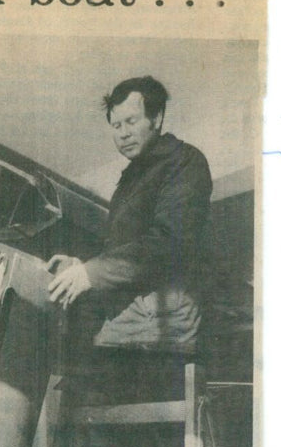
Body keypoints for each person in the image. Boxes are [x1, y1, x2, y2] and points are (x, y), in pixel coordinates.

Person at [47, 75, 213, 353]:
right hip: (132, 317)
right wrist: (82, 265)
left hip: (165, 320)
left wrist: (91, 273)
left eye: (131, 122)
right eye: (116, 125)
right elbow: (122, 250)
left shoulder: (184, 161)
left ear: (156, 119)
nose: (123, 133)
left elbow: (169, 242)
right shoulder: (130, 180)